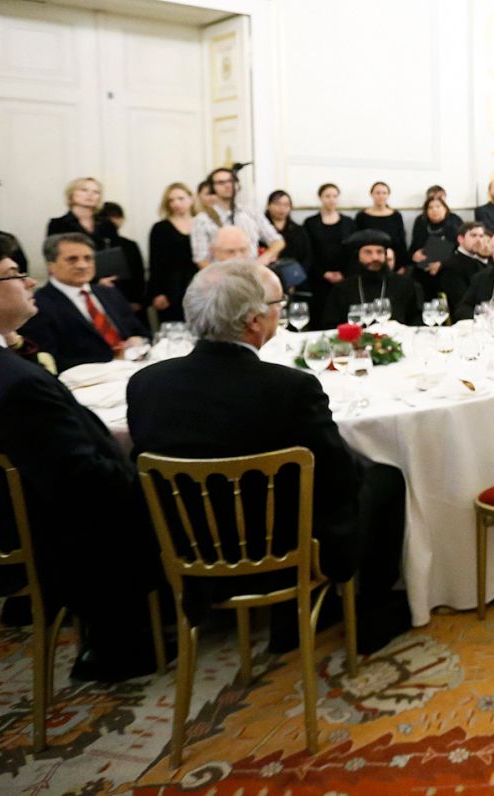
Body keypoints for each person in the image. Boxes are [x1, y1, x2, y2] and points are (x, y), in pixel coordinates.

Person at [0, 236, 164, 681]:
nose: (29, 282)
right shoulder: (9, 379)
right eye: (13, 274)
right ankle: (123, 644)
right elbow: (82, 484)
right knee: (161, 494)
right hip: (43, 541)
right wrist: (152, 485)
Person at [127, 260, 411, 654]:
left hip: (190, 551)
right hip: (281, 552)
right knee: (386, 479)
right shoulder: (290, 388)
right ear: (255, 322)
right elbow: (339, 478)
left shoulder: (145, 384)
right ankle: (370, 610)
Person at [19, 233, 148, 372]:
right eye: (72, 259)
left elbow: (141, 331)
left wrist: (139, 340)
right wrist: (112, 361)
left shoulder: (109, 293)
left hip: (134, 367)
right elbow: (49, 361)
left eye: (88, 258)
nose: (82, 265)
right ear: (51, 266)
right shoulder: (37, 305)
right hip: (87, 381)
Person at [322, 229, 422, 326]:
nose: (375, 258)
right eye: (368, 252)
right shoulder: (342, 289)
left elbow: (416, 320)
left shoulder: (405, 284)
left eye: (379, 252)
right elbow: (332, 326)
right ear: (357, 256)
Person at [188, 168, 284, 269]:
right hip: (222, 277)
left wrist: (263, 259)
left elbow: (277, 241)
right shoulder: (202, 220)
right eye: (221, 182)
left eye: (231, 181)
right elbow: (201, 259)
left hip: (253, 273)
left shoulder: (251, 212)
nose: (228, 185)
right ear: (212, 188)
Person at [302, 183, 356, 328]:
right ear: (320, 198)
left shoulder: (348, 222)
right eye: (327, 196)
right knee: (320, 318)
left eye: (334, 196)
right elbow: (308, 252)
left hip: (344, 279)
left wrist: (343, 273)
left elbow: (353, 252)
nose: (331, 199)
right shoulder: (310, 223)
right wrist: (323, 273)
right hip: (319, 279)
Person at [147, 183, 200, 324]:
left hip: (200, 285)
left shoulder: (202, 224)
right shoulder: (160, 228)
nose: (176, 203)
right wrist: (157, 293)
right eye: (171, 200)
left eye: (180, 198)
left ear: (191, 199)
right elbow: (155, 263)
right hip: (171, 289)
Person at [46, 177, 123, 254]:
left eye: (96, 192)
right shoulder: (58, 224)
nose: (90, 194)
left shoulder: (107, 224)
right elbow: (53, 255)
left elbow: (116, 253)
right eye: (84, 190)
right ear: (71, 194)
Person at [97, 202, 148, 311]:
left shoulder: (130, 245)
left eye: (117, 217)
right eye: (108, 217)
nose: (113, 221)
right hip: (102, 299)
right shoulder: (94, 244)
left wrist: (137, 300)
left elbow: (139, 274)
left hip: (130, 299)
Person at [427, 221, 487, 309]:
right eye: (473, 235)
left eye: (481, 236)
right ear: (460, 239)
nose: (479, 240)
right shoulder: (451, 265)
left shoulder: (483, 261)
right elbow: (461, 301)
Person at [264, 190, 311, 293]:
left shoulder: (298, 230)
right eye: (277, 204)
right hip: (266, 280)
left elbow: (307, 256)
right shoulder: (260, 231)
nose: (282, 208)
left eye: (286, 205)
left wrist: (295, 277)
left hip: (295, 280)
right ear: (268, 205)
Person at [354, 182, 407, 264]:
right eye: (377, 193)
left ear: (388, 195)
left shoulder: (396, 216)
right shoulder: (361, 216)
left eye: (384, 193)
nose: (381, 196)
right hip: (368, 261)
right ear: (371, 194)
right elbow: (357, 242)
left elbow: (401, 242)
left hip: (392, 261)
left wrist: (402, 264)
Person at [409, 189, 462, 265]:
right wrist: (414, 254)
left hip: (448, 265)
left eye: (438, 206)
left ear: (445, 208)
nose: (434, 210)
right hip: (424, 265)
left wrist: (442, 263)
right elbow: (414, 246)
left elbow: (460, 249)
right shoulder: (420, 221)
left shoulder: (455, 220)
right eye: (430, 207)